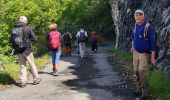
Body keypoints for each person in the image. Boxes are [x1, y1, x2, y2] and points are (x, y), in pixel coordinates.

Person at [130, 10, 156, 99]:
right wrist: (132, 46)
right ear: (134, 16)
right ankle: (139, 89)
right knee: (136, 71)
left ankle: (145, 92)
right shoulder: (135, 26)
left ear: (143, 16)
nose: (138, 17)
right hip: (135, 52)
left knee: (142, 72)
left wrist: (152, 57)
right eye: (136, 15)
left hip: (144, 54)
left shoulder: (148, 27)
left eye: (140, 15)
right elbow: (133, 37)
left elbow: (153, 42)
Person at [10, 16, 41, 88]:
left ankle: (23, 81)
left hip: (18, 50)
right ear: (25, 21)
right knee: (32, 64)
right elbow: (35, 39)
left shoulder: (14, 29)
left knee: (22, 66)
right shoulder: (27, 28)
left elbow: (11, 41)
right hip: (27, 50)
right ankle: (36, 79)